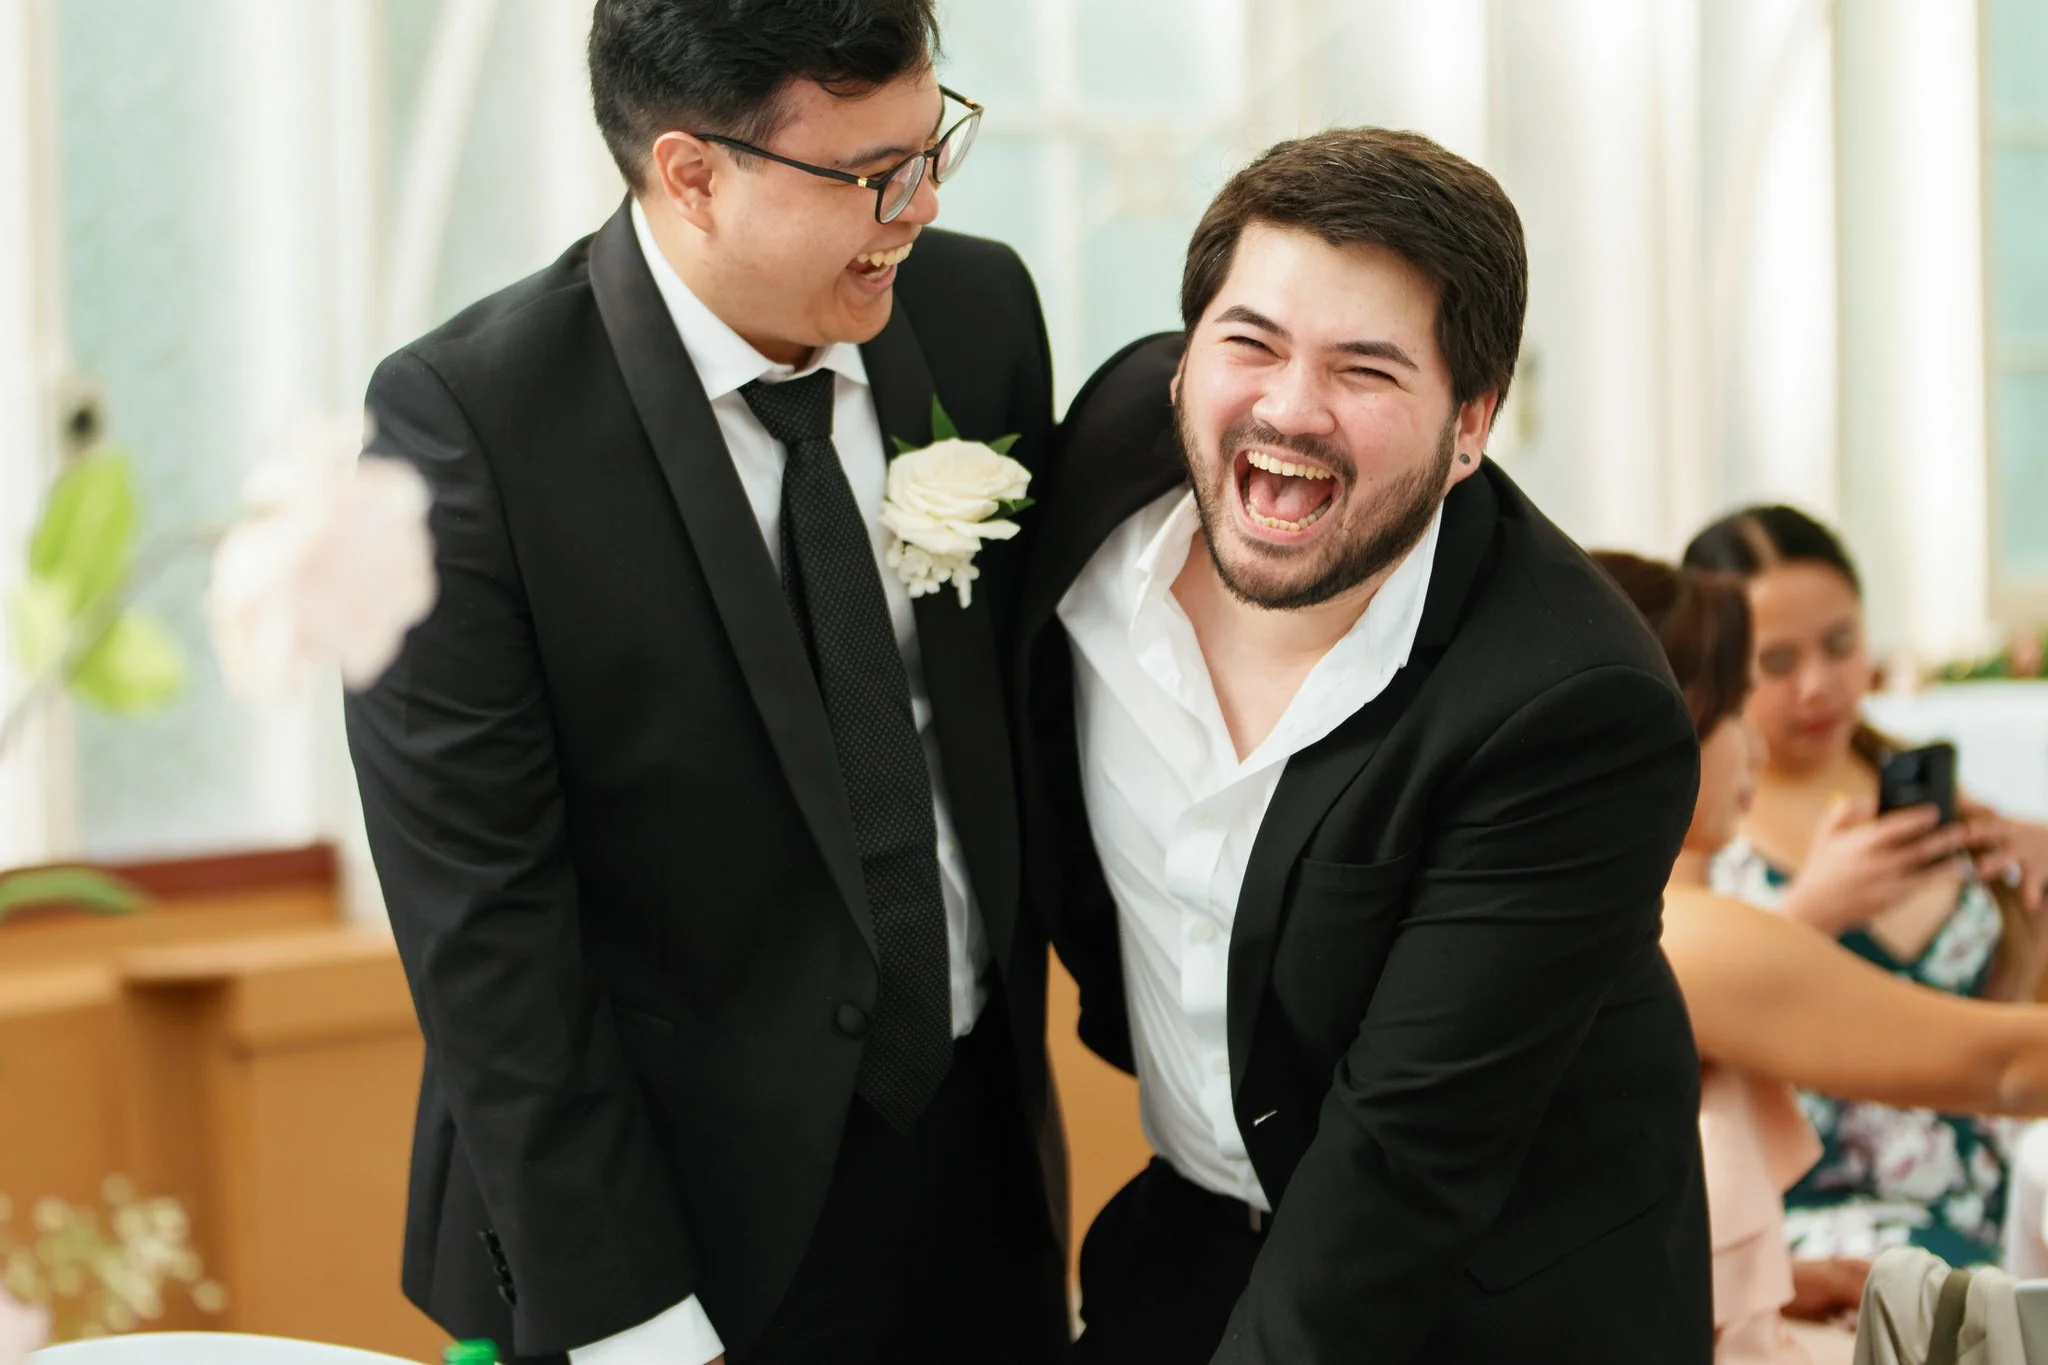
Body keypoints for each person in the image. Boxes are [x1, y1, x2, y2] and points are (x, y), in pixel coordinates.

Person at [343, 3, 1066, 1363]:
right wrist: (627, 1312)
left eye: (930, 148)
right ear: (692, 174)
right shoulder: (472, 427)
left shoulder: (977, 317)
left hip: (977, 1156)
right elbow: (482, 922)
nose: (913, 208)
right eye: (867, 176)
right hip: (673, 1207)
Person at [1020, 126, 1712, 1364]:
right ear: (1181, 365)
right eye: (1249, 342)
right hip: (1189, 1231)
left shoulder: (1571, 707)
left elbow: (1404, 1165)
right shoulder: (1100, 470)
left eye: (1366, 369)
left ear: (1470, 425)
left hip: (1489, 1299)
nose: (1289, 406)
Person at [1597, 551, 2048, 1365]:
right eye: (1741, 702)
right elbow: (2007, 1064)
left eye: (1840, 645)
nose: (1759, 748)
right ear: (1662, 726)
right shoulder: (1684, 932)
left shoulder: (1597, 916)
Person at [1684, 507, 2048, 1267]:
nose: (1817, 685)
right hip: (1824, 1225)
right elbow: (1655, 1054)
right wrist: (1806, 916)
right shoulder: (1699, 836)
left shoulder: (1937, 797)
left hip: (1999, 1188)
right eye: (1776, 663)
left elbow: (2013, 1009)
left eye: (1841, 645)